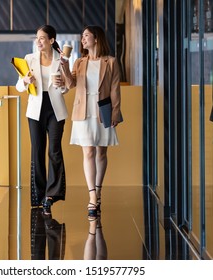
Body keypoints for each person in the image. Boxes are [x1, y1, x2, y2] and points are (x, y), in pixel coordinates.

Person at [60, 25, 123, 220]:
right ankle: (92, 196)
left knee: (101, 152)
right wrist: (64, 65)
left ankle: (98, 190)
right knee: (88, 151)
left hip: (102, 110)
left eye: (86, 35)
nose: (83, 39)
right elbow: (70, 84)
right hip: (83, 111)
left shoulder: (111, 62)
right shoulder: (79, 62)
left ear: (97, 38)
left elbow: (115, 89)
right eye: (82, 36)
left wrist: (115, 112)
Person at [16, 25, 68, 215]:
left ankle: (51, 195)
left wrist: (62, 85)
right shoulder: (29, 59)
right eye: (37, 38)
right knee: (37, 151)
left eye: (42, 38)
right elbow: (19, 87)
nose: (38, 41)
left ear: (52, 40)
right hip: (35, 110)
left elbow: (66, 88)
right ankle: (39, 195)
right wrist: (25, 82)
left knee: (54, 151)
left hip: (55, 109)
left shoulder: (61, 60)